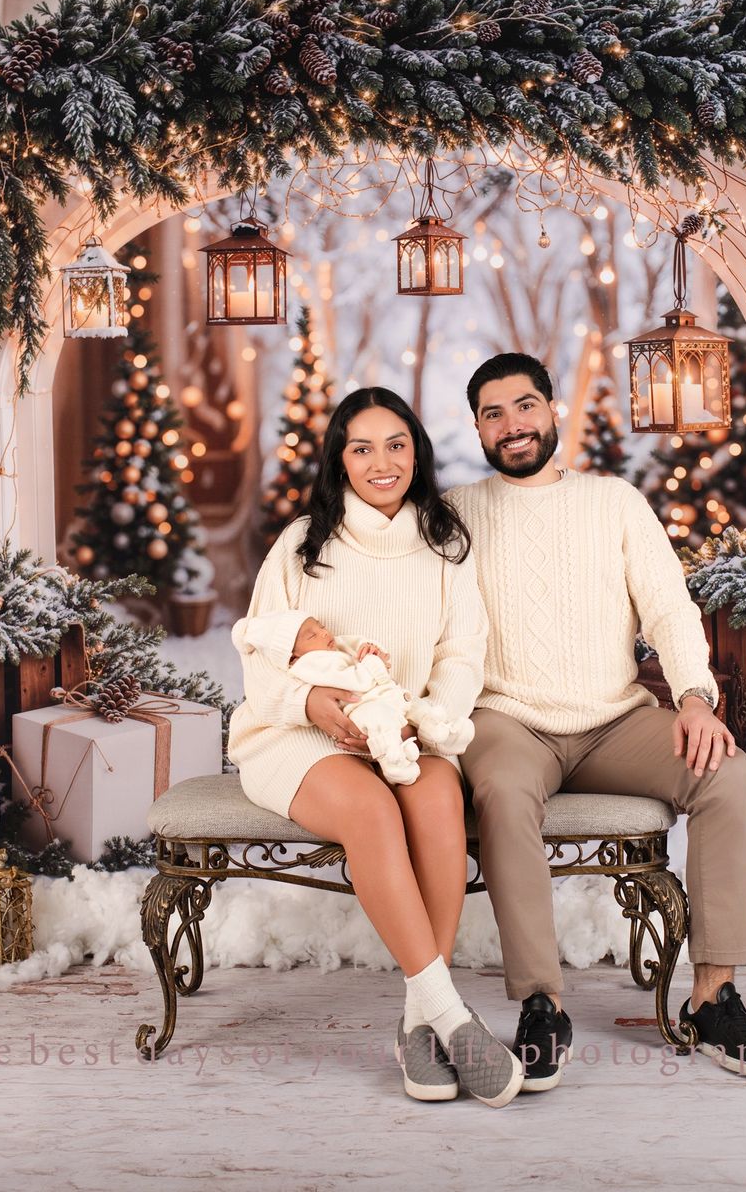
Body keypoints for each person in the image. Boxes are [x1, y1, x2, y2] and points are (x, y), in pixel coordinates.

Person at [445, 352, 746, 1088]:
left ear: (552, 411)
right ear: (477, 428)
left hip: (613, 719)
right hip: (507, 719)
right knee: (502, 790)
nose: (512, 424)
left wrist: (693, 695)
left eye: (525, 405)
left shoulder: (614, 501)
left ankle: (713, 995)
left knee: (725, 772)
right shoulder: (454, 514)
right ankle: (542, 1003)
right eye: (493, 413)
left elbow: (668, 606)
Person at [227, 386, 524, 1107]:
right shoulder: (302, 544)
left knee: (437, 799)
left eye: (396, 445)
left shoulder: (444, 544)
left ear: (416, 453)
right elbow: (258, 654)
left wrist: (428, 716)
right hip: (295, 736)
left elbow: (462, 654)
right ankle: (450, 1015)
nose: (381, 462)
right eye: (361, 448)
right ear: (340, 460)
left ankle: (419, 1022)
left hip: (405, 727)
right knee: (371, 809)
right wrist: (310, 704)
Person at [230, 610, 474, 785]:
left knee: (414, 705)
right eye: (312, 636)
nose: (323, 633)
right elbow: (356, 681)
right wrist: (374, 664)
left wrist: (371, 649)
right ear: (293, 656)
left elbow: (358, 645)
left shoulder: (332, 647)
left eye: (320, 626)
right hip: (361, 707)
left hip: (385, 694)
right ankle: (394, 761)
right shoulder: (309, 665)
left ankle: (441, 732)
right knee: (382, 722)